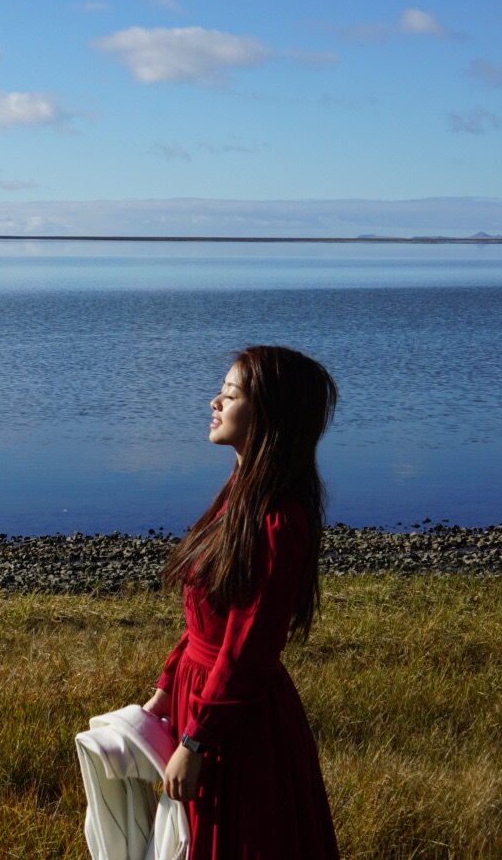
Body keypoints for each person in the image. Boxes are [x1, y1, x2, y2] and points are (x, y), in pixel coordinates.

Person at [140, 345, 340, 859]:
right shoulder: (239, 495)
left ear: (269, 415)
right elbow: (208, 616)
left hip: (238, 721)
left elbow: (249, 649)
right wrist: (166, 689)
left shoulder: (277, 521)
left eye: (229, 395)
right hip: (202, 698)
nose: (214, 402)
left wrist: (198, 741)